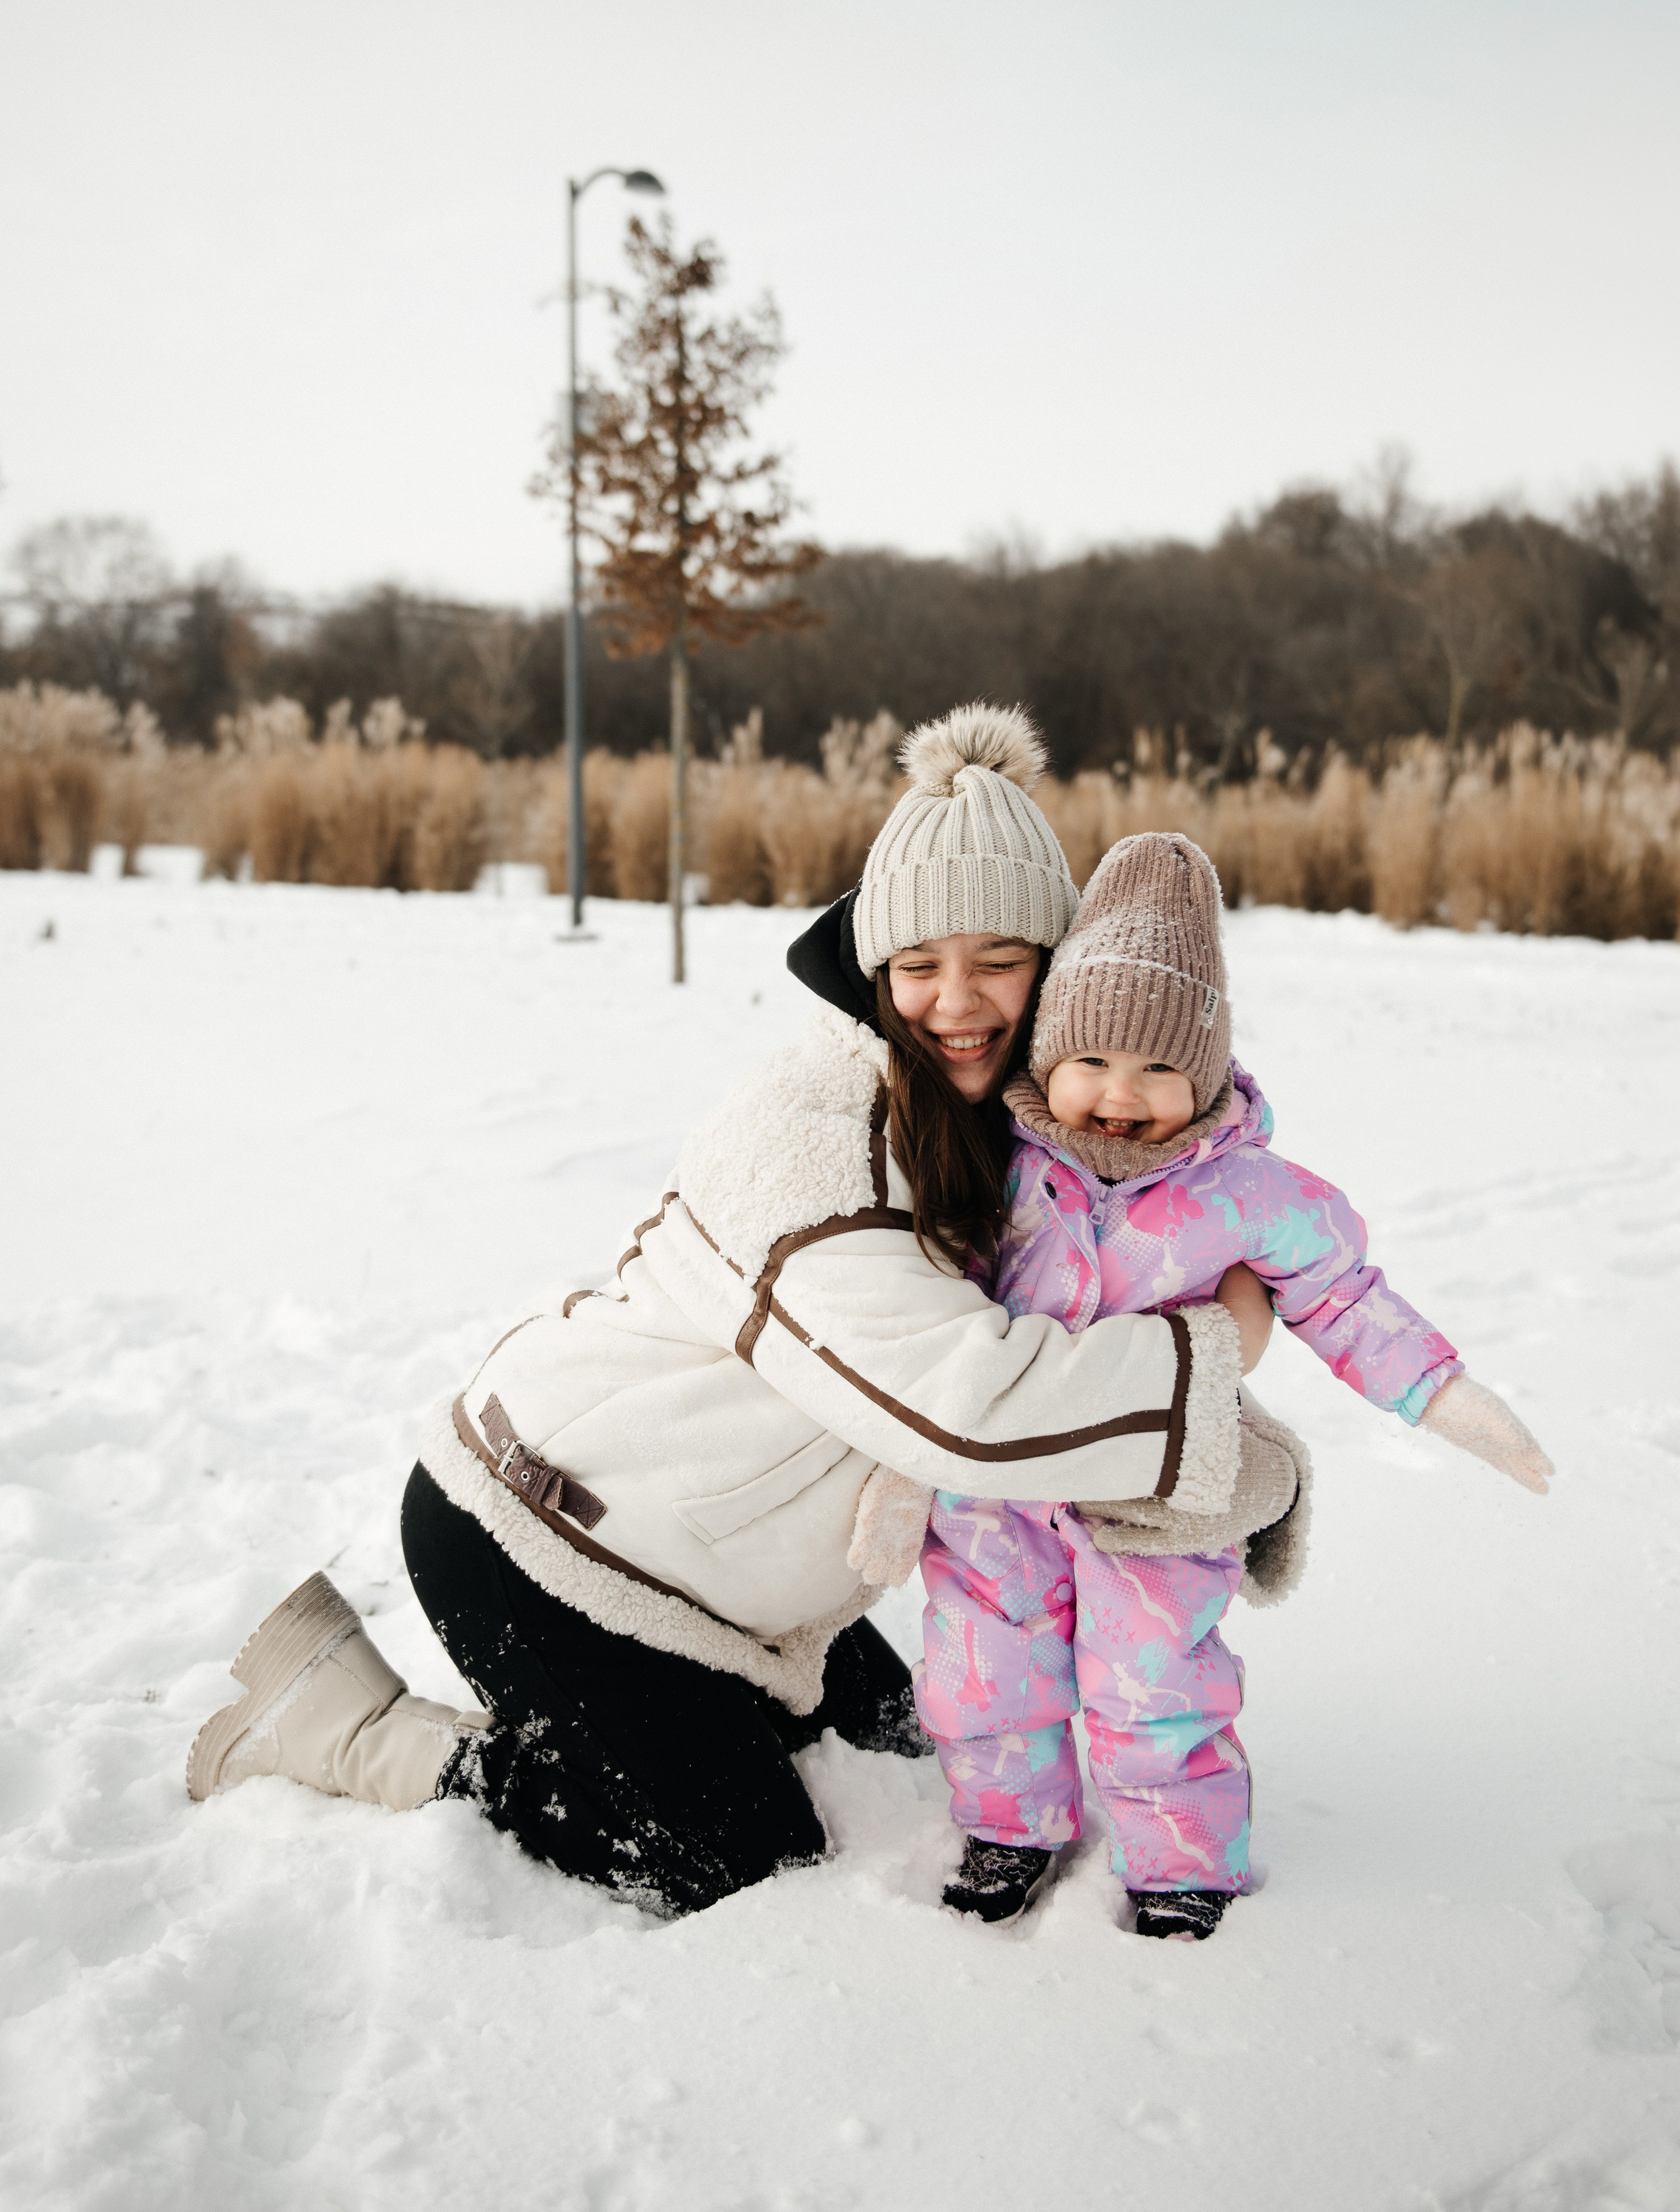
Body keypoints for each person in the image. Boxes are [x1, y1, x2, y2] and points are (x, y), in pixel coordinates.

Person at [186, 707, 1271, 1918]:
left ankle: (671, 1712)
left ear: (1055, 963)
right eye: (919, 965)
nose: (956, 1001)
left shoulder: (1003, 1120)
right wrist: (1212, 1361)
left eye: (999, 961)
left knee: (917, 1749)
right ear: (874, 968)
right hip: (547, 1541)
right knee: (742, 1858)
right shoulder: (818, 1142)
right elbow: (966, 1405)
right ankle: (350, 1729)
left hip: (727, 1565)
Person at [917, 830, 1554, 1939]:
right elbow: (930, 1320)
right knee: (985, 1665)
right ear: (1050, 1057)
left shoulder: (1255, 1193)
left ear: (1206, 1074)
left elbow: (1351, 1300)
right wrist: (904, 1467)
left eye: (1160, 1069)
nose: (1120, 1096)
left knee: (1155, 1681)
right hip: (1001, 1490)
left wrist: (1451, 1400)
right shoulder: (1001, 1167)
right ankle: (1010, 1825)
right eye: (1094, 1063)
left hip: (1166, 1493)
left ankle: (1180, 1860)